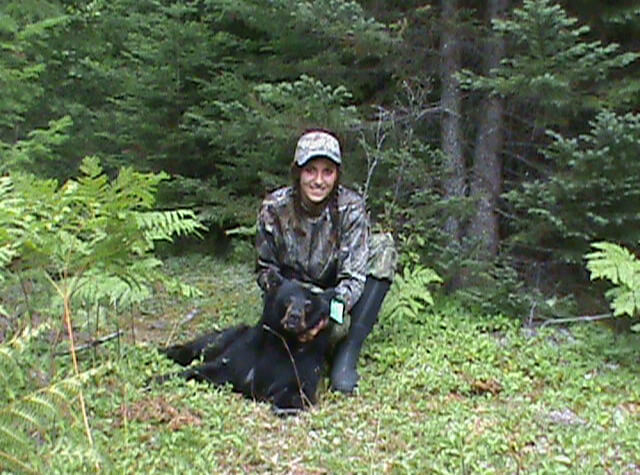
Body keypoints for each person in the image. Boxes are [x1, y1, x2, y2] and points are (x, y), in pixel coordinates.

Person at [255, 129, 396, 394]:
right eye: (311, 171)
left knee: (383, 248)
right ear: (298, 172)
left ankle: (348, 351)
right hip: (293, 299)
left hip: (330, 299)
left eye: (327, 172)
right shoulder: (274, 208)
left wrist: (325, 315)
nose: (318, 181)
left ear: (337, 175)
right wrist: (290, 303)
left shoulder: (350, 207)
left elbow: (353, 278)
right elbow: (265, 270)